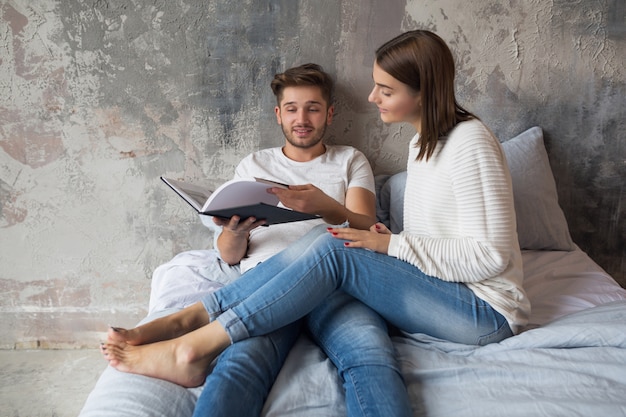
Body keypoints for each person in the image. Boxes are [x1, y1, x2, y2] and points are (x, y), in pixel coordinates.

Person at [102, 30, 531, 412]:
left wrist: (387, 244)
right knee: (246, 359)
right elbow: (433, 240)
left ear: (422, 93)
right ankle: (189, 328)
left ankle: (192, 334)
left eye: (385, 89)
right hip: (361, 283)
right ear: (278, 114)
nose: (371, 97)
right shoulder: (424, 144)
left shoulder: (469, 142)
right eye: (291, 109)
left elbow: (488, 256)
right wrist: (390, 240)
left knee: (337, 258)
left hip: (482, 311)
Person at [109, 63, 413, 417]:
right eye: (292, 108)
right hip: (267, 284)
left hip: (337, 285)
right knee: (239, 365)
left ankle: (187, 325)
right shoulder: (254, 164)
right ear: (278, 115)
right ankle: (189, 341)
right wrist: (235, 231)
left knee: (371, 355)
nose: (302, 118)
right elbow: (229, 256)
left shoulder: (349, 160)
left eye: (313, 108)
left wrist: (326, 206)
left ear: (329, 114)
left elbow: (365, 225)